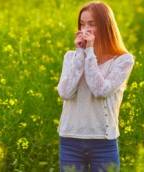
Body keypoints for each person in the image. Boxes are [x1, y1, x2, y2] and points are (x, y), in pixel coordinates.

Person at [56, 1, 135, 171]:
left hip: (103, 142)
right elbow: (65, 92)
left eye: (92, 24)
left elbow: (100, 90)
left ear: (106, 26)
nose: (85, 29)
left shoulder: (123, 60)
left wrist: (90, 52)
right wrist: (80, 53)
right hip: (70, 140)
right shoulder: (70, 57)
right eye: (82, 24)